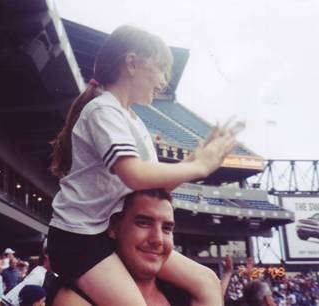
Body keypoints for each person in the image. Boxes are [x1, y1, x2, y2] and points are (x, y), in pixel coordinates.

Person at [48, 25, 238, 306]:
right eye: (160, 68)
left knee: (207, 280)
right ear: (132, 63)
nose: (163, 80)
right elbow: (134, 174)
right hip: (78, 241)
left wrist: (194, 160)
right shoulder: (103, 109)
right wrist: (199, 167)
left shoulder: (132, 119)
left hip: (103, 232)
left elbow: (151, 187)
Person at [53, 189, 190, 306]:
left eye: (166, 228)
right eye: (143, 223)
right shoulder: (74, 295)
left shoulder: (187, 293)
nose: (158, 240)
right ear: (113, 227)